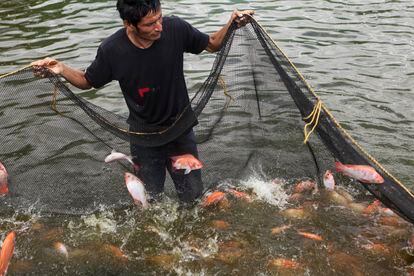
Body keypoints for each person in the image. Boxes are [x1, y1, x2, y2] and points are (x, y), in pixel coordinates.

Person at [31, 0, 254, 204]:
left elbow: (213, 44)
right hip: (143, 137)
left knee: (193, 197)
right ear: (129, 24)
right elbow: (87, 81)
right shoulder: (112, 50)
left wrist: (232, 23)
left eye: (159, 18)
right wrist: (60, 69)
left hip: (181, 131)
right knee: (149, 201)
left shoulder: (175, 28)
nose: (159, 27)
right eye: (150, 24)